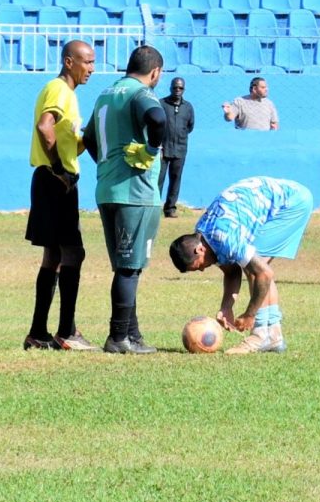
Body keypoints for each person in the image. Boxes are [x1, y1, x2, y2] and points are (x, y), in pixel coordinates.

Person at [82, 45, 169, 355]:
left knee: (124, 266)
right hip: (136, 193)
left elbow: (89, 138)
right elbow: (158, 119)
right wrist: (151, 150)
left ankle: (132, 334)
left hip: (107, 190)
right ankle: (118, 337)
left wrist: (108, 166)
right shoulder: (140, 93)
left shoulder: (106, 94)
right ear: (155, 72)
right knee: (130, 267)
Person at [167, 176, 316, 354]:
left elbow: (265, 274)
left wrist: (249, 314)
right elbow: (231, 271)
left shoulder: (225, 238)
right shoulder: (204, 234)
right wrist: (227, 306)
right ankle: (273, 335)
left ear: (199, 250)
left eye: (197, 266)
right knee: (252, 266)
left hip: (291, 202)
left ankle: (262, 334)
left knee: (256, 269)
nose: (201, 269)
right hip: (284, 197)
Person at [23, 40, 96, 351]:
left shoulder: (67, 95)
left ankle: (38, 333)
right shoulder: (59, 90)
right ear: (69, 62)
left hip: (51, 180)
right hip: (55, 181)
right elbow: (45, 127)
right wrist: (59, 169)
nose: (92, 68)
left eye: (93, 62)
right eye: (86, 62)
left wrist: (86, 138)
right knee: (73, 253)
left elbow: (65, 140)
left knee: (54, 256)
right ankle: (67, 332)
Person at [161, 76, 195, 219]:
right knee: (158, 179)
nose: (177, 90)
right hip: (162, 149)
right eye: (175, 87)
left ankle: (170, 209)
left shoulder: (188, 107)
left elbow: (190, 126)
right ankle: (153, 208)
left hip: (180, 149)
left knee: (175, 179)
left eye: (180, 88)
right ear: (170, 88)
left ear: (184, 89)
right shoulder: (161, 104)